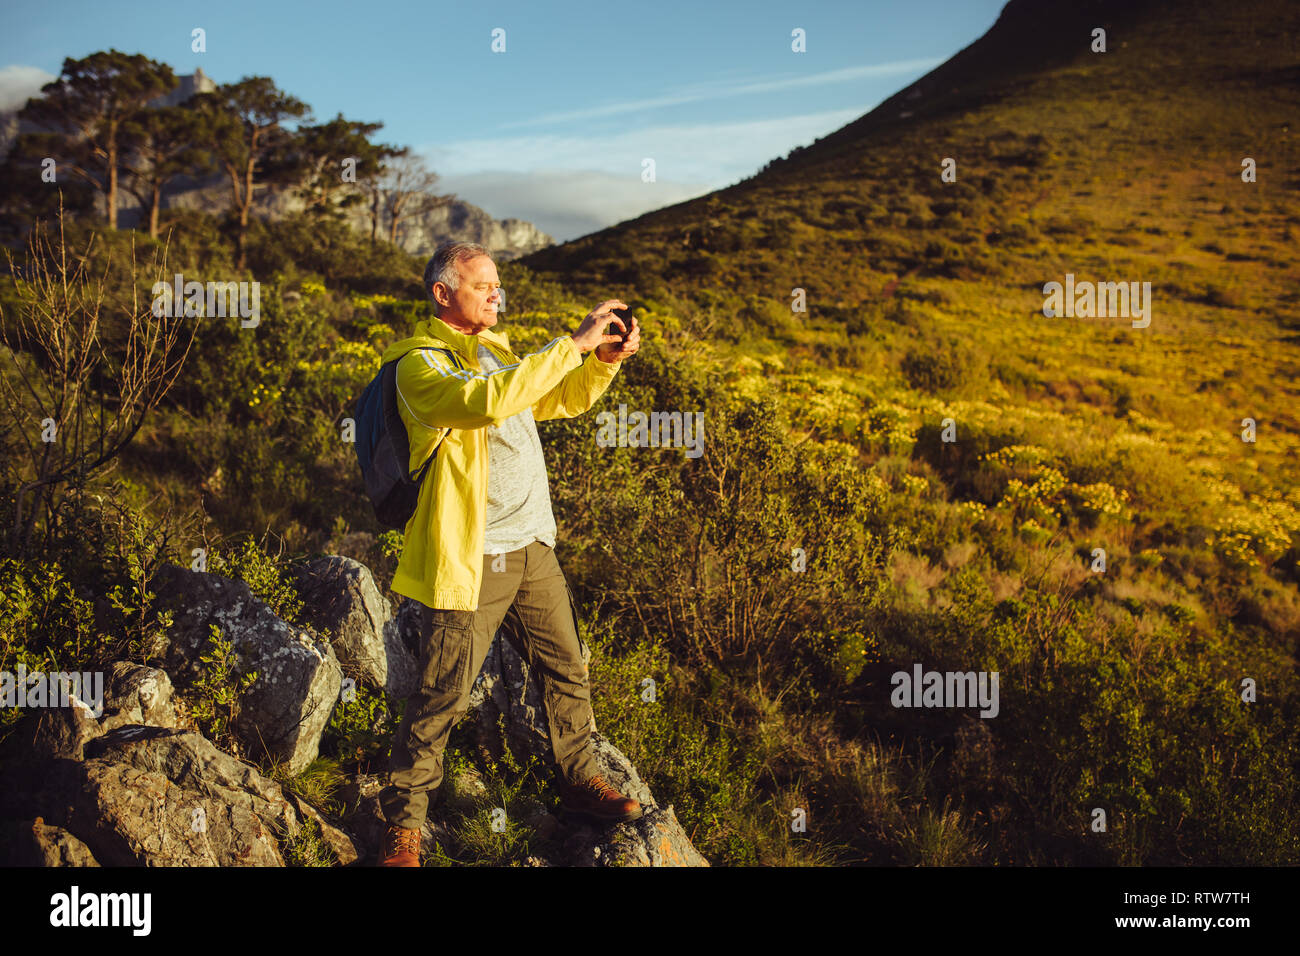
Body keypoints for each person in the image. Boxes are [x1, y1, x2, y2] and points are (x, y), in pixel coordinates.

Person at [376, 240, 642, 867]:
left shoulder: (496, 350)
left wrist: (600, 361)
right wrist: (569, 346)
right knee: (444, 690)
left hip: (531, 546)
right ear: (444, 294)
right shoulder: (419, 366)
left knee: (565, 670)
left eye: (499, 284)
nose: (497, 295)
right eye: (484, 285)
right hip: (474, 556)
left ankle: (579, 785)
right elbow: (486, 402)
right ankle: (402, 828)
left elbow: (554, 398)